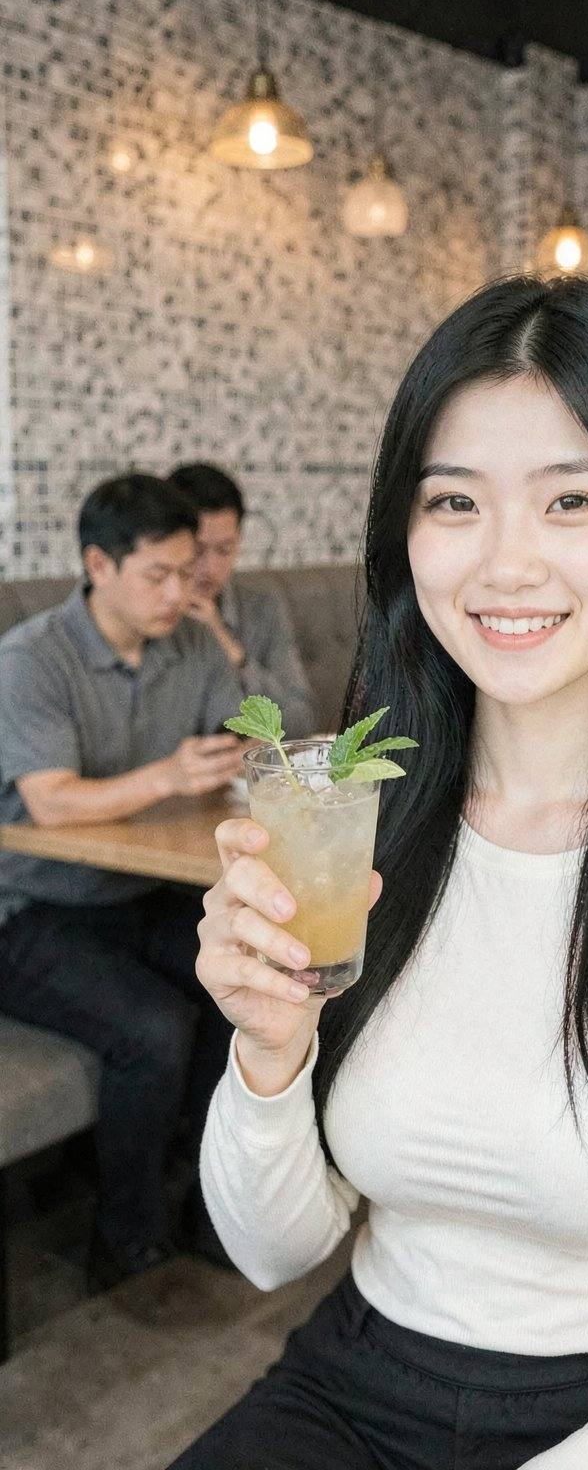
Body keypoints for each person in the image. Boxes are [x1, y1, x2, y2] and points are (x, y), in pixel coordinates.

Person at [174, 277, 588, 1470]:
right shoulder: (353, 837)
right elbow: (275, 1255)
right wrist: (267, 1055)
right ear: (405, 530)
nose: (506, 563)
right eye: (454, 501)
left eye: (571, 500)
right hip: (355, 1381)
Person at [0, 474, 246, 1291]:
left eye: (189, 571)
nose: (182, 591)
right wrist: (170, 775)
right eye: (159, 575)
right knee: (153, 1028)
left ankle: (218, 1211)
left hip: (136, 893)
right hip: (32, 905)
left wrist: (238, 751)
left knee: (239, 987)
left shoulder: (194, 642)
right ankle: (126, 1238)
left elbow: (248, 733)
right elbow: (51, 800)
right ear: (98, 564)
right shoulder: (32, 659)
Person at [167, 462, 317, 736]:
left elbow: (301, 720)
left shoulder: (261, 608)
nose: (209, 568)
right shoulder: (147, 614)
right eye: (198, 550)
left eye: (225, 550)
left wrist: (228, 645)